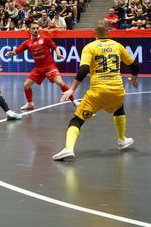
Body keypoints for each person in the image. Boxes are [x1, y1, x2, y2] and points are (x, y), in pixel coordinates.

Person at [53, 21, 139, 161]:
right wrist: (134, 79)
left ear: (94, 32)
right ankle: (122, 139)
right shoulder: (117, 46)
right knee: (118, 107)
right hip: (117, 90)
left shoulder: (90, 47)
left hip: (98, 92)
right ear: (108, 32)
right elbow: (134, 65)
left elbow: (84, 69)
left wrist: (72, 89)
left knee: (77, 119)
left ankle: (68, 148)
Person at [5, 22, 77, 110]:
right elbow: (17, 51)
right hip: (38, 69)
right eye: (33, 28)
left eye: (37, 28)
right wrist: (10, 53)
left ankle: (74, 102)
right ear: (29, 30)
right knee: (26, 85)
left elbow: (55, 47)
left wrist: (58, 54)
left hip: (50, 67)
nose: (35, 30)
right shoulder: (27, 42)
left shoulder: (45, 38)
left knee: (60, 83)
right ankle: (30, 104)